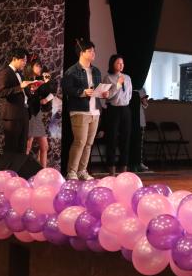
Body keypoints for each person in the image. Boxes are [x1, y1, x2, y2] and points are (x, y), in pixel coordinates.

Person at [62, 40, 108, 180]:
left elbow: (97, 90)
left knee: (88, 143)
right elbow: (67, 89)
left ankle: (82, 170)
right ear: (82, 53)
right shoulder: (72, 71)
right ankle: (72, 171)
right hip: (80, 111)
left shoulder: (96, 71)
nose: (93, 53)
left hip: (95, 111)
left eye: (94, 51)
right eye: (90, 51)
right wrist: (83, 92)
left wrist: (103, 94)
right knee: (80, 142)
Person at [0, 47, 32, 155]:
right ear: (14, 59)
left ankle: (19, 167)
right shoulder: (5, 72)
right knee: (11, 148)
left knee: (22, 147)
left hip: (23, 114)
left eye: (25, 61)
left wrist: (31, 89)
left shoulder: (20, 74)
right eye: (23, 60)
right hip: (12, 116)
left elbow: (24, 92)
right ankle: (9, 167)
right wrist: (19, 87)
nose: (25, 63)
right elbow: (1, 92)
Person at [102, 55, 133, 176]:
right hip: (113, 110)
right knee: (112, 139)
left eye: (122, 63)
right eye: (118, 63)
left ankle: (124, 169)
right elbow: (108, 95)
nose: (121, 65)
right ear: (113, 64)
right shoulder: (108, 77)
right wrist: (118, 85)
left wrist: (124, 101)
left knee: (125, 139)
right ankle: (111, 170)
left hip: (125, 109)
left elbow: (129, 95)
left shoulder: (127, 77)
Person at [24, 57, 55, 169]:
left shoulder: (40, 80)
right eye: (37, 66)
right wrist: (32, 90)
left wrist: (47, 82)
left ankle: (43, 171)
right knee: (28, 144)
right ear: (30, 67)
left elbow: (50, 92)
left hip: (37, 114)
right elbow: (26, 98)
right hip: (29, 114)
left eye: (40, 66)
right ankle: (22, 170)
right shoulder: (25, 80)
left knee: (44, 146)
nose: (40, 68)